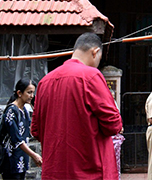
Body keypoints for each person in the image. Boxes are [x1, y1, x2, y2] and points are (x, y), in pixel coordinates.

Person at [31, 32, 123, 180]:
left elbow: (36, 130)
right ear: (95, 51)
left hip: (54, 171)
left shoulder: (44, 82)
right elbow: (113, 125)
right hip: (89, 171)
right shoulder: (91, 76)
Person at [0, 78, 42, 180]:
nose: (32, 96)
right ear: (19, 93)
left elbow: (29, 132)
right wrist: (33, 155)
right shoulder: (11, 111)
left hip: (21, 160)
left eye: (33, 93)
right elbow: (16, 139)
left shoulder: (24, 111)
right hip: (11, 160)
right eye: (29, 92)